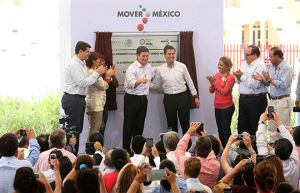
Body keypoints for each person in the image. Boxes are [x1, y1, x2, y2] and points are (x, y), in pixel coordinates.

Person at [61, 41, 105, 154]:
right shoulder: (74, 64)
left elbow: (87, 81)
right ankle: (70, 155)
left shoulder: (81, 64)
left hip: (78, 99)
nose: (89, 54)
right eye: (87, 51)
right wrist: (96, 73)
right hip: (73, 99)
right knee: (73, 130)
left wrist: (96, 74)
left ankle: (73, 155)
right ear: (80, 51)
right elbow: (82, 82)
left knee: (77, 130)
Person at [152, 45, 200, 135]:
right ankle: (173, 147)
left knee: (185, 124)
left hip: (182, 97)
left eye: (173, 53)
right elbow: (156, 85)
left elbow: (189, 81)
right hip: (168, 98)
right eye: (169, 54)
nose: (171, 56)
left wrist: (195, 96)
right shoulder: (160, 69)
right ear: (164, 55)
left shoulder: (182, 66)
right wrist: (145, 83)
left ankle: (187, 147)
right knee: (171, 125)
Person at [253, 47, 293, 142]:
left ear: (277, 56)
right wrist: (262, 79)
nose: (269, 59)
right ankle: (274, 151)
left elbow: (283, 84)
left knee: (281, 127)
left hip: (282, 100)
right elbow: (268, 83)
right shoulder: (270, 67)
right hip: (272, 100)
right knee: (271, 127)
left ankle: (282, 152)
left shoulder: (287, 68)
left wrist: (269, 79)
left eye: (271, 57)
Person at [123, 46, 155, 153]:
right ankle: (126, 151)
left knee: (140, 126)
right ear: (137, 56)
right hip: (131, 99)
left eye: (147, 56)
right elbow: (131, 84)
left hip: (143, 99)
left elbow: (150, 81)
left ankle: (137, 151)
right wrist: (140, 81)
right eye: (143, 56)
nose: (145, 58)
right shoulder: (132, 68)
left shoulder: (149, 67)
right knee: (128, 126)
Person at [233, 45, 268, 135]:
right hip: (243, 99)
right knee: (242, 125)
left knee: (255, 126)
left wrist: (243, 77)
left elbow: (256, 85)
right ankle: (243, 147)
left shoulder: (261, 65)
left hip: (256, 100)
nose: (245, 56)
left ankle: (255, 148)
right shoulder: (244, 64)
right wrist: (238, 77)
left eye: (247, 54)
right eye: (244, 54)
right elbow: (238, 81)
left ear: (255, 55)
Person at [85, 52, 115, 140]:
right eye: (98, 59)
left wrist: (106, 76)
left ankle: (91, 151)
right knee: (94, 131)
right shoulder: (92, 73)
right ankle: (91, 152)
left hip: (94, 104)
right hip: (95, 105)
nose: (100, 61)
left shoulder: (92, 72)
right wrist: (108, 76)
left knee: (93, 130)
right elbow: (103, 86)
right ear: (93, 61)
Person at [207, 56, 235, 147]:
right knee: (220, 130)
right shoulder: (217, 75)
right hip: (217, 107)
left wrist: (215, 83)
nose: (219, 66)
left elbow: (224, 92)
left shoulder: (230, 78)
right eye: (218, 64)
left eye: (221, 65)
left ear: (227, 66)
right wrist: (212, 83)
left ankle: (229, 149)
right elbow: (211, 91)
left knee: (225, 130)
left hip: (227, 107)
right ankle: (222, 149)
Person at [99, 53, 119, 137]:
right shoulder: (94, 73)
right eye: (99, 61)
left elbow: (116, 84)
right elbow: (101, 87)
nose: (101, 62)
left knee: (103, 128)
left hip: (105, 104)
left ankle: (101, 147)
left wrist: (111, 74)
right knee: (100, 127)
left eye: (103, 60)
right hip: (97, 104)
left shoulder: (107, 72)